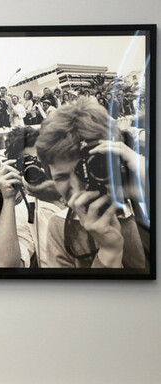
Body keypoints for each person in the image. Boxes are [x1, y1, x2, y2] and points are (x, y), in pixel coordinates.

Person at [35, 99, 148, 269]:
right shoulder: (60, 227)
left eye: (87, 170)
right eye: (61, 177)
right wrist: (109, 253)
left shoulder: (144, 200)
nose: (76, 187)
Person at [0, 127, 63, 268]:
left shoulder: (77, 189)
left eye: (43, 160)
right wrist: (8, 199)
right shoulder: (23, 212)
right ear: (18, 170)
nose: (40, 169)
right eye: (29, 163)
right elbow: (5, 266)